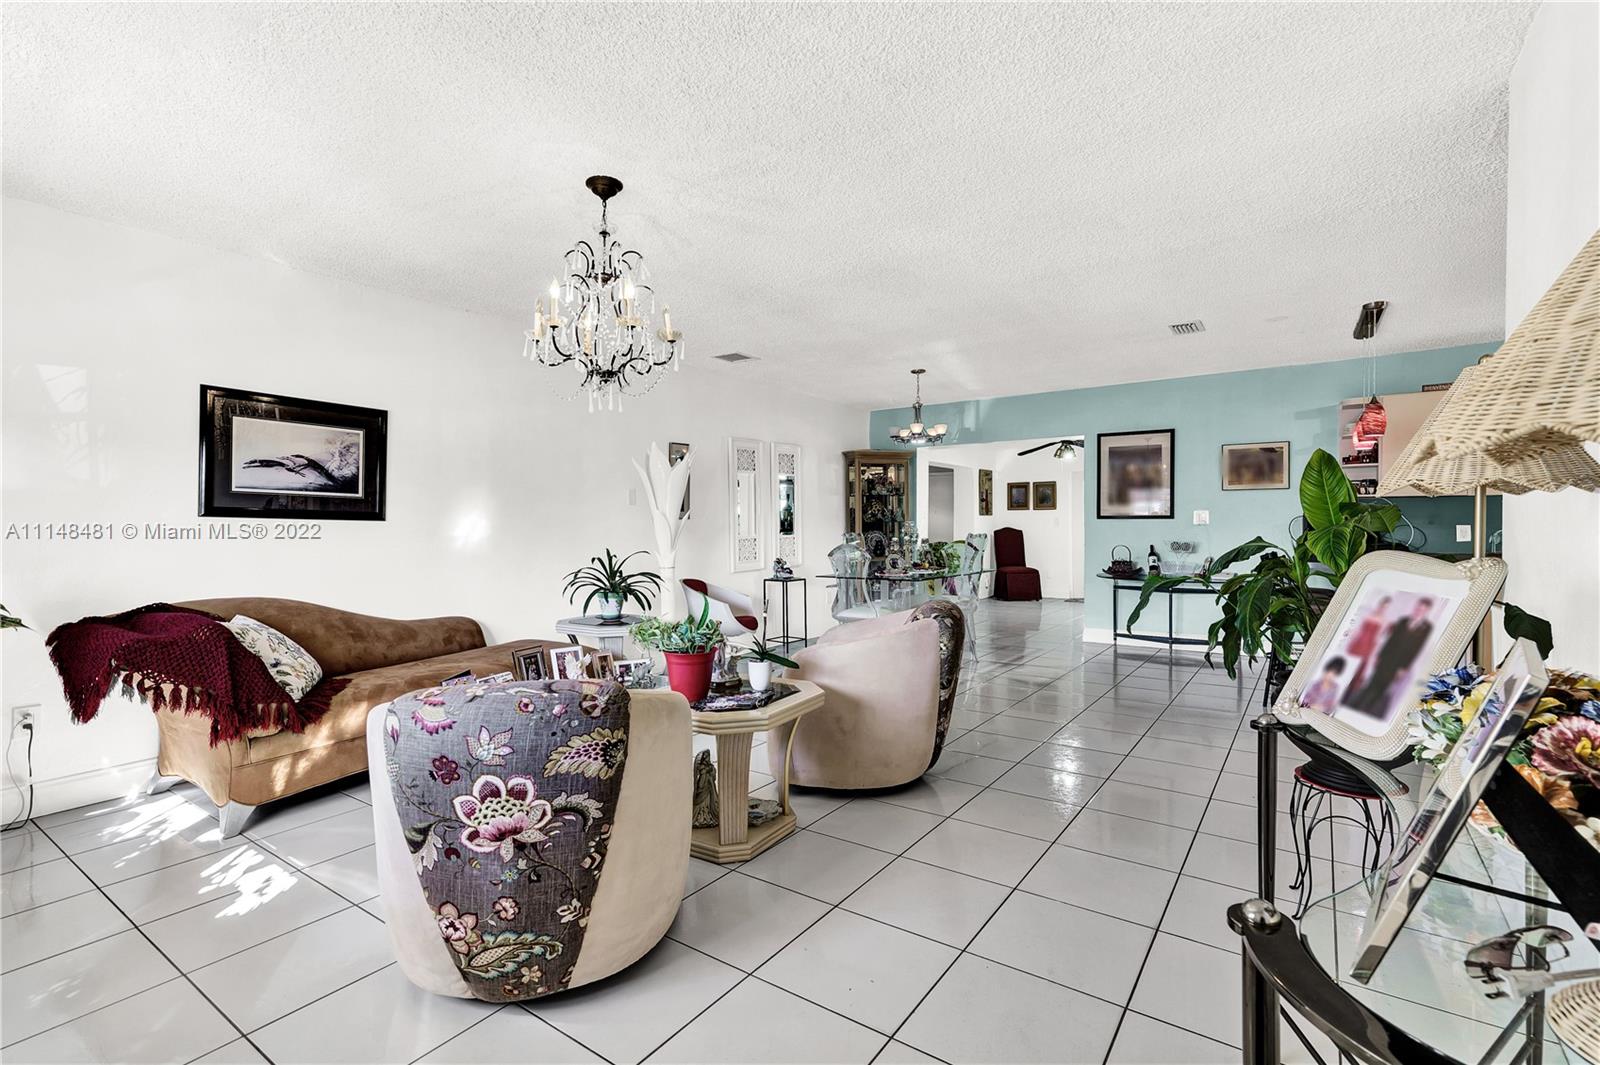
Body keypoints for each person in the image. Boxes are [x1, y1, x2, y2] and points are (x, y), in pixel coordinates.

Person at [1348, 596, 1436, 719]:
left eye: (1422, 609)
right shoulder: (1403, 621)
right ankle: (1356, 706)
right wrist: (1379, 656)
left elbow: (1416, 649)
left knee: (1382, 687)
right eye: (1418, 608)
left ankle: (1367, 708)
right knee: (1372, 682)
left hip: (1399, 664)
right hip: (1386, 658)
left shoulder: (1427, 628)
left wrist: (1404, 668)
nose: (1418, 611)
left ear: (1426, 611)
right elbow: (1390, 640)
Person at [1341, 595, 1391, 699]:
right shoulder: (1368, 614)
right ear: (1380, 605)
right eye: (1383, 606)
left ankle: (1349, 694)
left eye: (1386, 607)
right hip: (1358, 643)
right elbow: (1358, 629)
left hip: (1369, 646)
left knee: (1360, 669)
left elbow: (1379, 638)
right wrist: (1349, 641)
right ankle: (1341, 687)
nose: (1383, 609)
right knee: (1349, 665)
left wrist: (1375, 653)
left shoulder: (1384, 621)